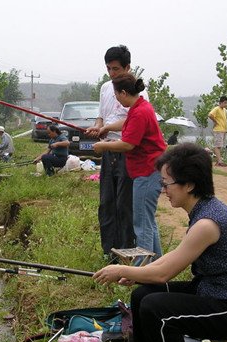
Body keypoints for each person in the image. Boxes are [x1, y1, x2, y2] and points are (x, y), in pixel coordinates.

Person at [93, 143, 227, 342]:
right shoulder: (203, 210)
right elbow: (174, 256)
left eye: (167, 184)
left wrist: (123, 270)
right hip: (212, 291)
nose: (164, 190)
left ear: (190, 185)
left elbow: (164, 273)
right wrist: (139, 275)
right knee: (142, 295)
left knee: (156, 308)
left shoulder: (207, 223)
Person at [93, 73, 166, 258]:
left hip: (147, 172)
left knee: (141, 225)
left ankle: (141, 270)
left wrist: (102, 145)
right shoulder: (139, 107)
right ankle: (156, 264)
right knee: (148, 222)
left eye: (116, 96)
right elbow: (126, 124)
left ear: (124, 93)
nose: (116, 100)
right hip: (149, 171)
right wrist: (106, 128)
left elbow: (127, 144)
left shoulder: (140, 112)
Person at [85, 45, 148, 258]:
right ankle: (108, 251)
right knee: (107, 203)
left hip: (127, 151)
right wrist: (98, 127)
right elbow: (101, 116)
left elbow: (132, 121)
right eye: (109, 69)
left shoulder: (138, 92)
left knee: (124, 205)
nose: (112, 74)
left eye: (116, 69)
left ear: (128, 67)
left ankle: (126, 251)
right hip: (108, 149)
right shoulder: (105, 88)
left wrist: (106, 129)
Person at [208, 96, 227, 167]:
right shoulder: (217, 108)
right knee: (217, 145)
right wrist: (215, 122)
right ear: (220, 103)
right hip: (218, 129)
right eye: (224, 103)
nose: (226, 104)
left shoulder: (224, 110)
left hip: (223, 129)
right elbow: (210, 115)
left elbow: (226, 119)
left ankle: (219, 160)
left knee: (220, 146)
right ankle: (219, 161)